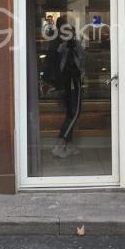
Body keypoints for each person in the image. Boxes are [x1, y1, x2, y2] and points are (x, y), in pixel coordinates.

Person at [47, 16, 85, 158]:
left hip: (64, 83)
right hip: (71, 82)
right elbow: (80, 60)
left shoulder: (56, 41)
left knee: (71, 113)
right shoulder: (65, 43)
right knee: (74, 113)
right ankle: (60, 144)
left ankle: (68, 145)